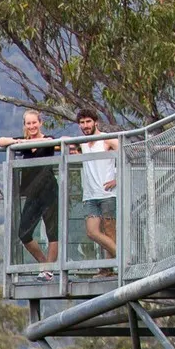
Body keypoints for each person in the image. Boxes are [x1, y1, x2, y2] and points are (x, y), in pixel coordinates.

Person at [4, 109, 60, 265]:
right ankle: (44, 263)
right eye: (28, 123)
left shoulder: (48, 140)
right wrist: (19, 142)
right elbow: (0, 141)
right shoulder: (23, 142)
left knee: (52, 231)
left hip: (49, 189)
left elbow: (58, 142)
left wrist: (24, 143)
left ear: (40, 123)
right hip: (32, 192)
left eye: (34, 122)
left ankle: (48, 270)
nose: (32, 126)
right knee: (24, 233)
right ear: (25, 125)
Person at [73, 107, 120, 260]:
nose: (85, 125)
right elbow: (64, 144)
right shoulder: (82, 142)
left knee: (109, 231)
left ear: (95, 122)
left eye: (88, 121)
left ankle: (110, 267)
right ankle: (122, 258)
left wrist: (118, 178)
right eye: (82, 122)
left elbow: (127, 152)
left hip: (108, 194)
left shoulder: (106, 139)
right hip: (90, 195)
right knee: (92, 231)